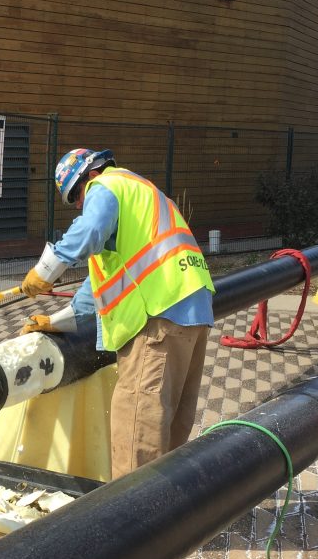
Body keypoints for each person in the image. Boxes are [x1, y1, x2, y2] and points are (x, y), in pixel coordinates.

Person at [19, 148, 215, 479]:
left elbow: (90, 228)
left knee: (137, 434)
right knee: (170, 428)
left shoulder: (107, 186)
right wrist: (55, 322)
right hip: (192, 314)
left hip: (159, 321)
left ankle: (134, 522)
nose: (79, 205)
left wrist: (46, 269)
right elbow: (94, 294)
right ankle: (171, 513)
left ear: (91, 176)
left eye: (77, 195)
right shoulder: (141, 201)